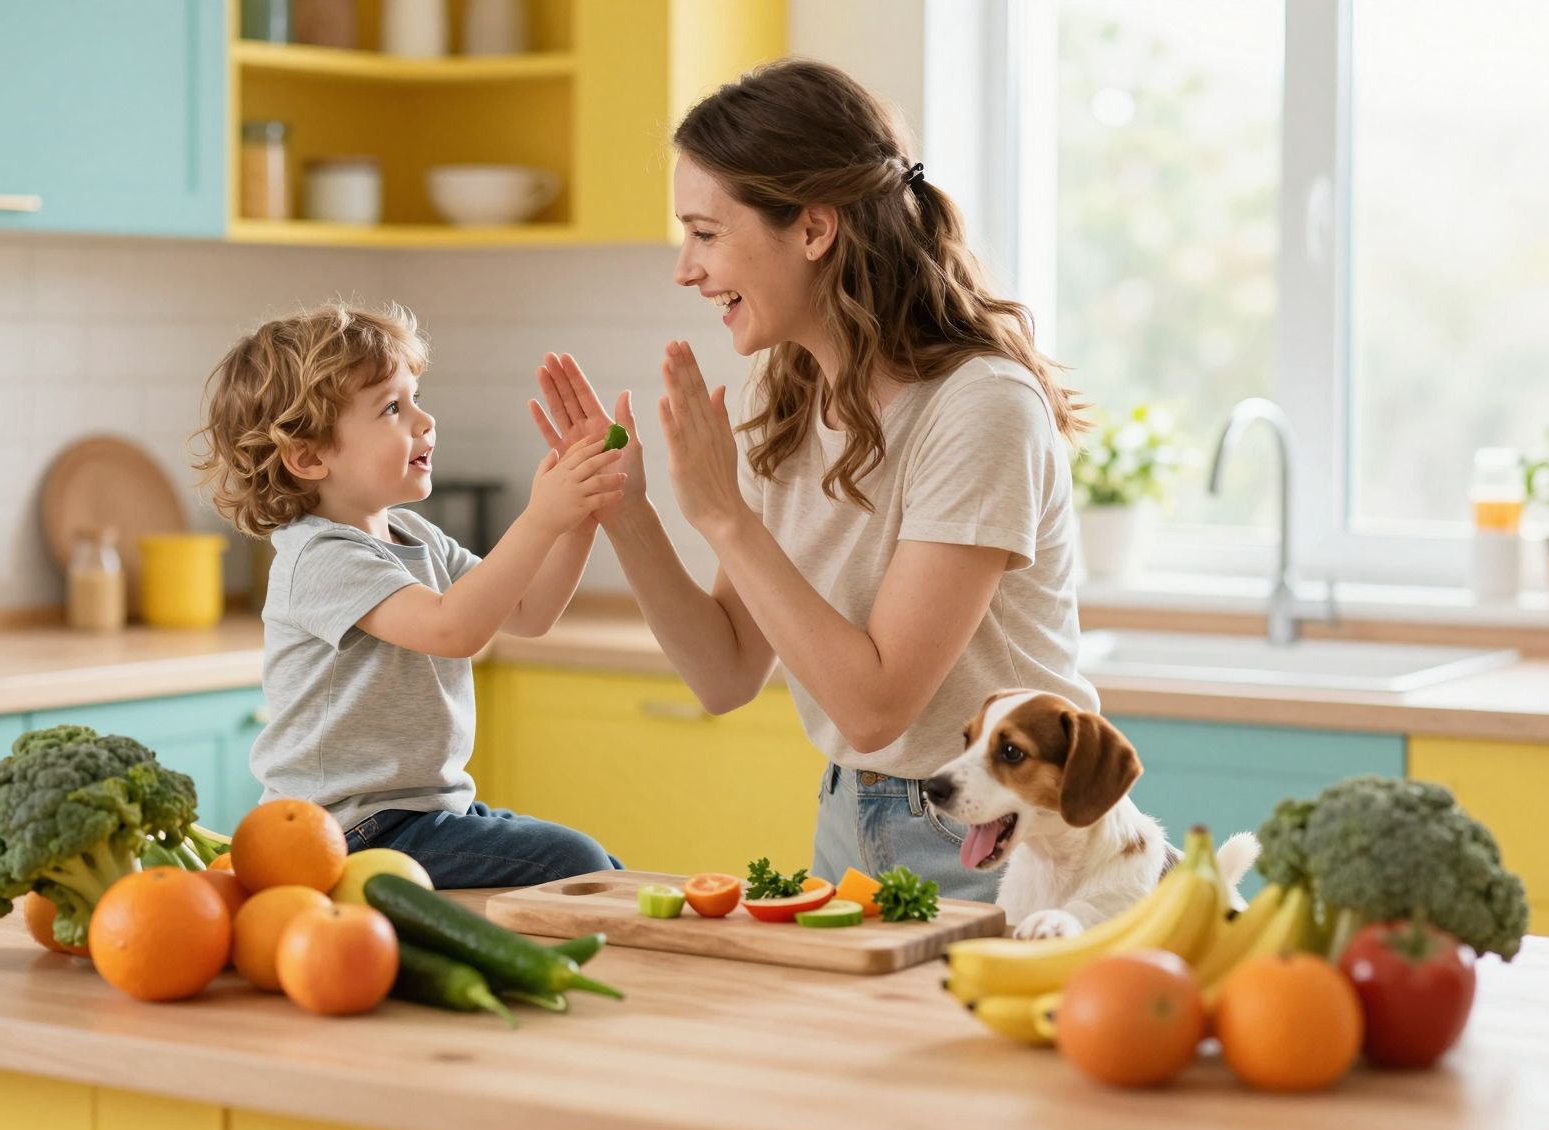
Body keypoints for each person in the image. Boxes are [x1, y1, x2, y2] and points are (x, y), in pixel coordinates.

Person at [527, 60, 1096, 901]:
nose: (685, 268)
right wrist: (626, 508)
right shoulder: (785, 393)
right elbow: (725, 673)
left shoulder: (980, 409)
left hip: (1000, 835)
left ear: (814, 229)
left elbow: (875, 707)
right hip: (848, 820)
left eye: (706, 233)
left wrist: (725, 517)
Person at [195, 301, 627, 887]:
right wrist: (542, 519)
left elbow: (527, 612)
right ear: (309, 455)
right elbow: (454, 630)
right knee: (576, 863)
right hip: (344, 831)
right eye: (393, 408)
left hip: (421, 814)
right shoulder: (319, 556)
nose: (424, 421)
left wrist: (580, 517)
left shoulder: (413, 533)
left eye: (416, 398)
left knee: (602, 870)